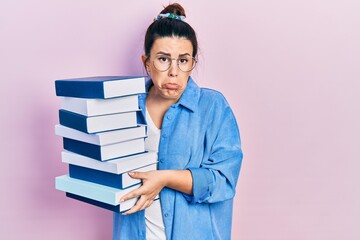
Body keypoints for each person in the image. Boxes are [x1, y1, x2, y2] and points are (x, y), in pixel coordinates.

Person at [113, 3, 243, 240]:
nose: (173, 71)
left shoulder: (213, 107)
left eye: (183, 61)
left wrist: (164, 178)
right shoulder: (124, 106)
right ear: (146, 62)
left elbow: (224, 180)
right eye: (163, 59)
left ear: (193, 62)